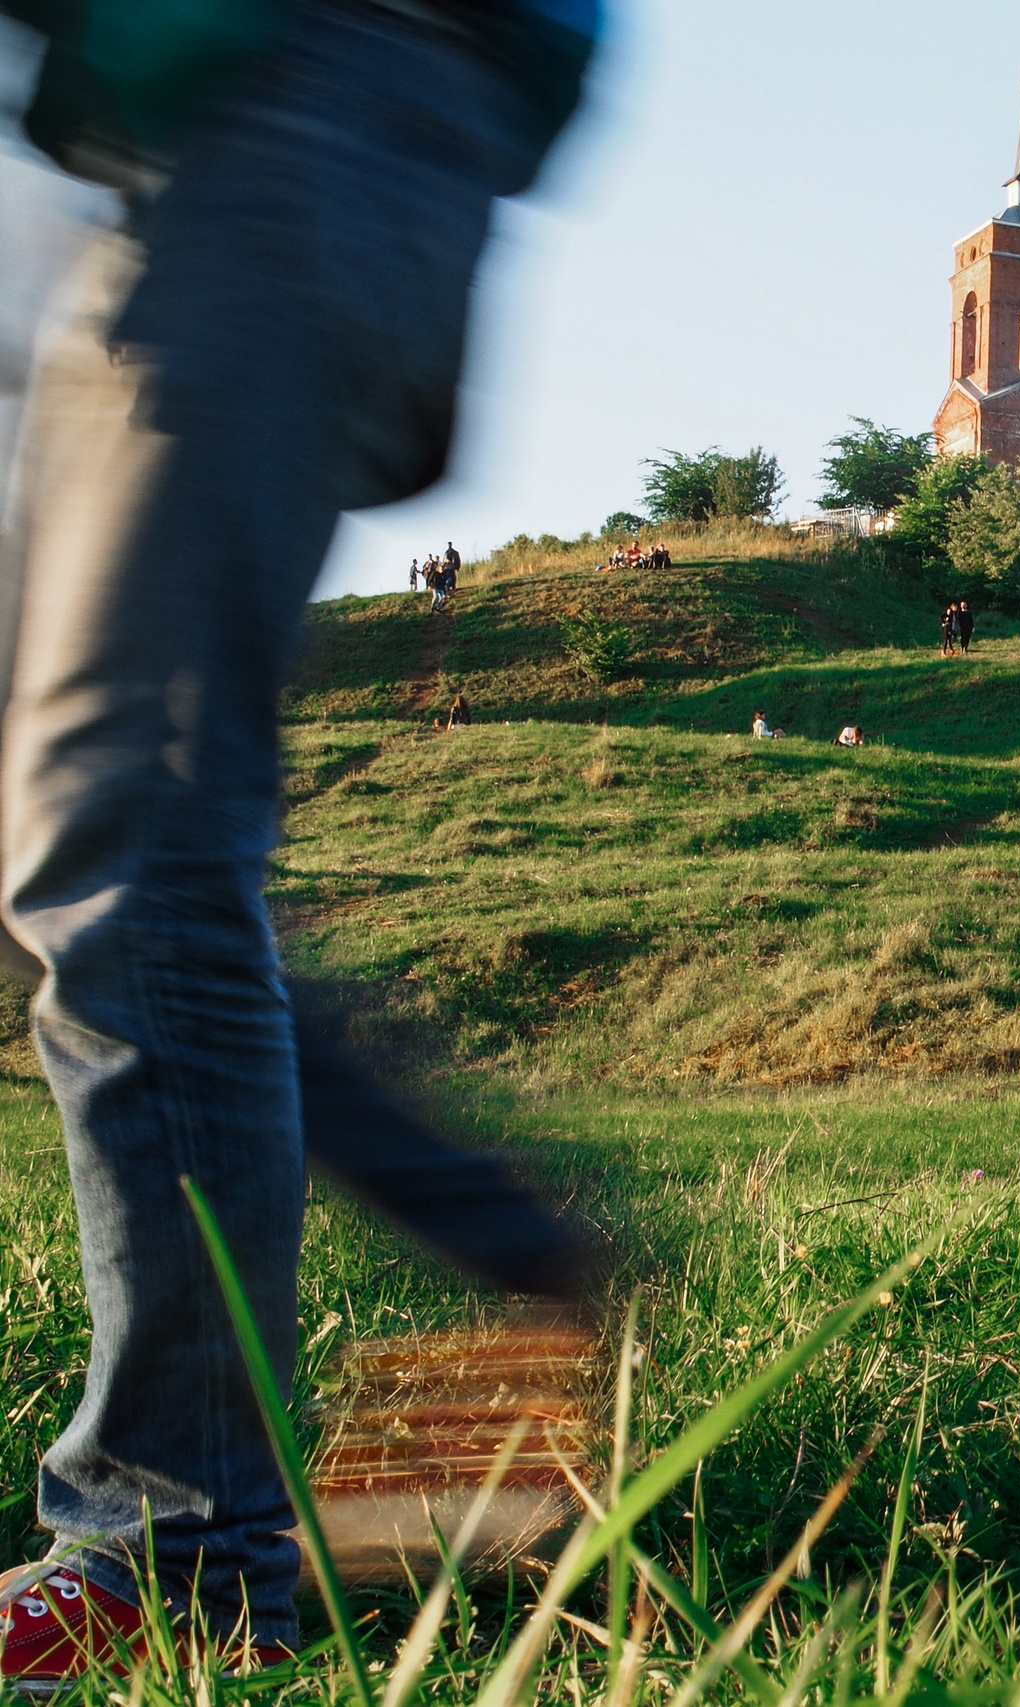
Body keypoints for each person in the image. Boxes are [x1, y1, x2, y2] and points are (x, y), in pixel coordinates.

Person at [0, 0, 603, 1683]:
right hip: (182, 127)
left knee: (129, 832)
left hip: (313, 93)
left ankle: (180, 1547)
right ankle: (512, 1247)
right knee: (54, 834)